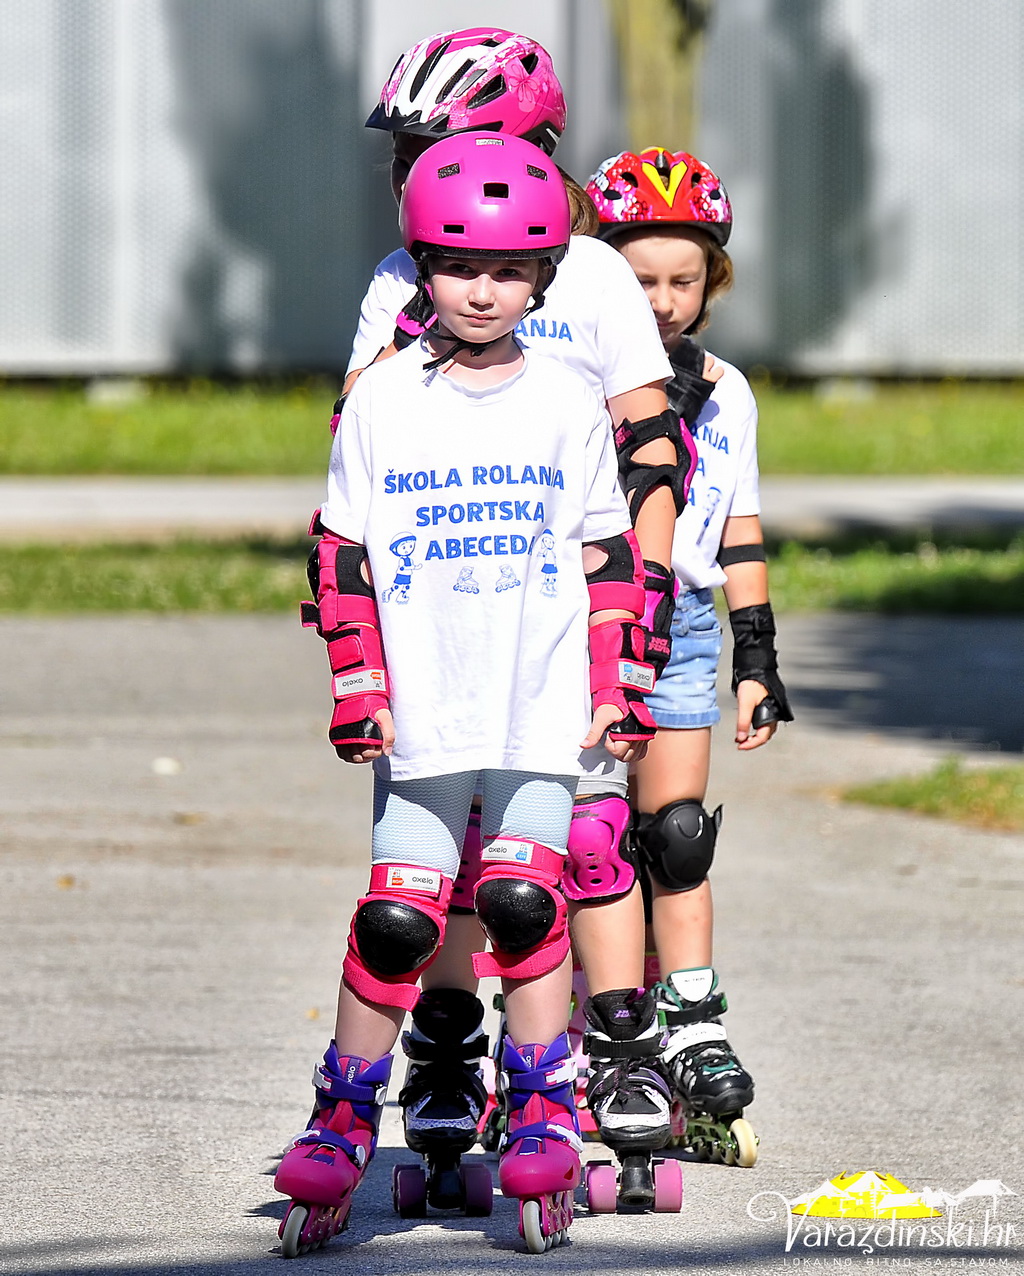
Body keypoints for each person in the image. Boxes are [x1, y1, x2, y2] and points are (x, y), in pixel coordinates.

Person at [274, 132, 659, 1256]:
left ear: (544, 277)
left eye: (506, 270)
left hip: (539, 713)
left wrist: (619, 684)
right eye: (455, 265)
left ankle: (543, 1112)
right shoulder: (386, 400)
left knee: (525, 905)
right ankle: (341, 1118)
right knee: (398, 919)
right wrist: (357, 680)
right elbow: (340, 550)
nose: (480, 290)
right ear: (419, 267)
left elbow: (607, 561)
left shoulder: (569, 405)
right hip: (427, 709)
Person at [346, 28, 697, 1205]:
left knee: (578, 846)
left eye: (428, 145)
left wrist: (634, 613)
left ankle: (610, 1050)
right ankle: (446, 1052)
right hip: (444, 614)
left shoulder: (591, 275)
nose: (413, 173)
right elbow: (361, 432)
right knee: (437, 869)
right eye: (410, 154)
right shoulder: (402, 277)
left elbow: (650, 449)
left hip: (568, 620)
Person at [586, 146, 795, 1166]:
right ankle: (598, 1026)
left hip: (685, 627)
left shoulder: (728, 391)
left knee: (673, 835)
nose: (663, 302)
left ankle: (695, 1016)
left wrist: (756, 657)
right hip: (585, 622)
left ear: (713, 281)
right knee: (586, 840)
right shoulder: (572, 379)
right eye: (639, 282)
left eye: (683, 280)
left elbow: (740, 526)